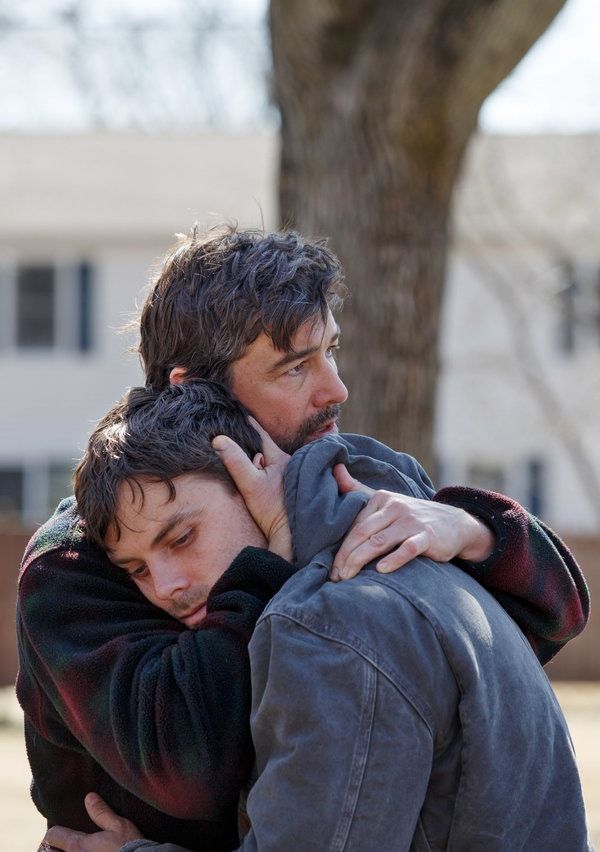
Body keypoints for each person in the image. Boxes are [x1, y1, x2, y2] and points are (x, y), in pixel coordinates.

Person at [17, 227, 588, 850]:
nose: (334, 389)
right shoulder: (78, 561)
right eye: (295, 367)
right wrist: (271, 558)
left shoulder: (351, 482)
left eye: (329, 352)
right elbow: (191, 768)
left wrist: (473, 529)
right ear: (195, 392)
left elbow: (547, 622)